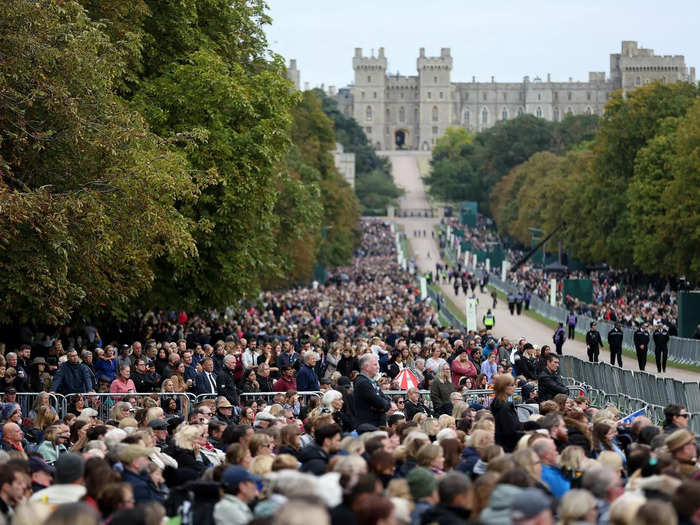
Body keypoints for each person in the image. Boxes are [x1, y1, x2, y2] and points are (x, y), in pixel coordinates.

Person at [354, 354, 390, 427]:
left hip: (376, 426)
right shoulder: (363, 383)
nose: (378, 367)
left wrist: (382, 407)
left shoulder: (372, 382)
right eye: (375, 364)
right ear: (366, 367)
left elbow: (387, 404)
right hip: (369, 426)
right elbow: (381, 404)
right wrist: (382, 406)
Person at [491, 374, 523, 453]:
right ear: (504, 387)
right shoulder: (503, 408)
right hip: (508, 449)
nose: (514, 387)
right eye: (512, 385)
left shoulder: (503, 404)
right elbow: (510, 431)